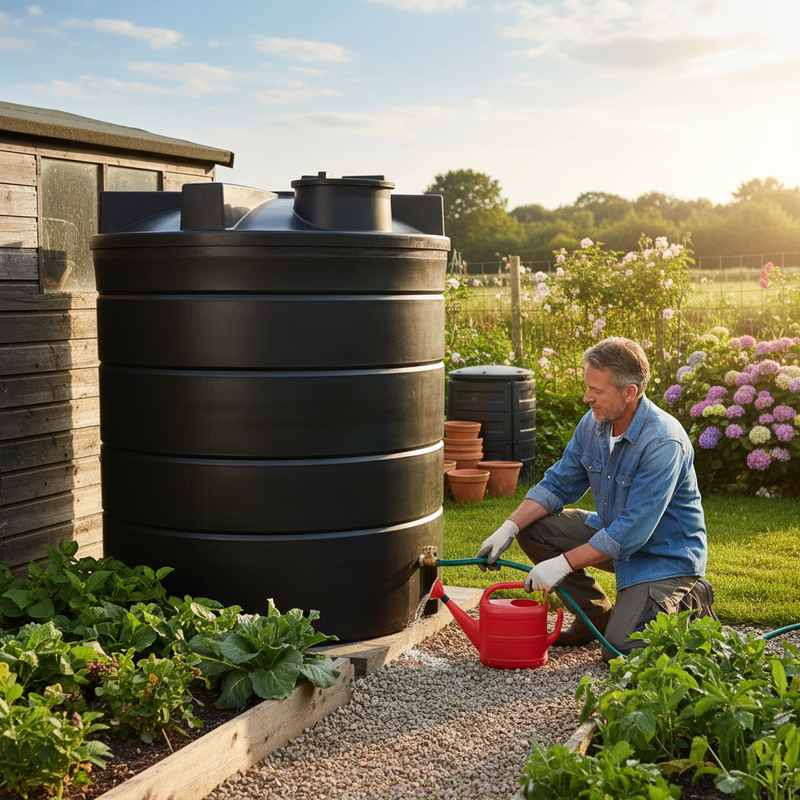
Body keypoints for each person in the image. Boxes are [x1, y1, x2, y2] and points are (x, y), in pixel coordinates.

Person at [476, 336, 715, 661]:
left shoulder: (663, 442)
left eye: (597, 391)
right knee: (534, 529)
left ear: (629, 392)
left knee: (621, 651)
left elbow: (631, 532)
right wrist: (509, 527)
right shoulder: (594, 424)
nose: (587, 397)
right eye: (588, 387)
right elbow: (558, 484)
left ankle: (690, 598)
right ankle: (596, 619)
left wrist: (561, 565)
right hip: (613, 533)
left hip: (663, 557)